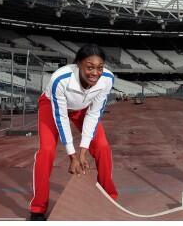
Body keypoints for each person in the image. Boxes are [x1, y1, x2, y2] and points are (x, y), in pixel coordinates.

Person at [29, 44, 118, 221]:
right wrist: (72, 156)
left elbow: (94, 114)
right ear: (78, 64)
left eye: (99, 67)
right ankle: (38, 208)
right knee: (46, 151)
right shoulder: (60, 79)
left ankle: (108, 196)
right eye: (90, 67)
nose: (95, 73)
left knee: (102, 146)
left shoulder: (107, 79)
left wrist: (83, 151)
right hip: (52, 106)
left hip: (83, 109)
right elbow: (61, 119)